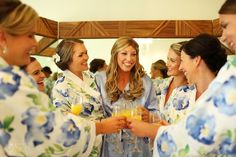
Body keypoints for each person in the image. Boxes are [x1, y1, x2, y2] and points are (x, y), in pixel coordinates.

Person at [0, 1, 125, 156]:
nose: (35, 44)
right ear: (3, 37)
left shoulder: (92, 78)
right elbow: (52, 130)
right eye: (30, 35)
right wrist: (101, 127)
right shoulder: (7, 82)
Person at [129, 32, 234, 156]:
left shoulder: (226, 98)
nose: (181, 67)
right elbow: (172, 128)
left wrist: (153, 131)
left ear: (196, 60)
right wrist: (163, 126)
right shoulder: (179, 95)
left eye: (182, 61)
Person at [52, 39, 126, 157]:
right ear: (67, 59)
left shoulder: (92, 78)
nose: (86, 57)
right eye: (81, 55)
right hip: (84, 145)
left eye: (86, 53)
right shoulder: (61, 86)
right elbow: (63, 123)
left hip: (105, 142)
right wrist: (99, 126)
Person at [95, 36, 157, 157]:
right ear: (115, 55)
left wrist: (150, 116)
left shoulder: (146, 81)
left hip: (138, 146)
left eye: (133, 54)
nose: (129, 59)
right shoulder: (100, 79)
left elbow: (157, 113)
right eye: (124, 53)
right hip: (111, 146)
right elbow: (95, 114)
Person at [151, 41, 198, 124]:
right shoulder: (160, 85)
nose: (167, 64)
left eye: (172, 61)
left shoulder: (193, 91)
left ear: (184, 61)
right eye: (168, 59)